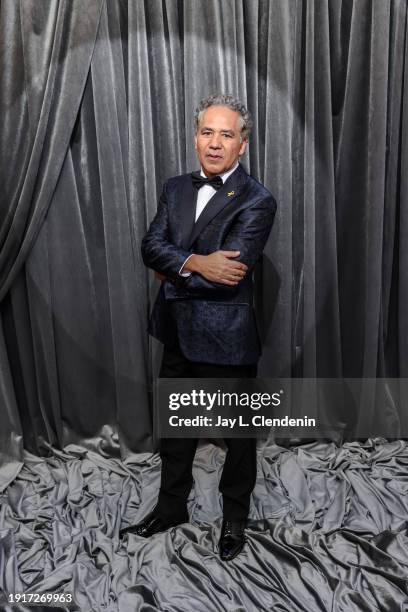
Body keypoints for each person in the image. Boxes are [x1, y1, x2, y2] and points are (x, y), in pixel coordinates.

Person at [121, 94, 277, 561]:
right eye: (207, 132)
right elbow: (150, 246)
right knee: (176, 431)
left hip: (226, 336)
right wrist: (193, 262)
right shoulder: (174, 188)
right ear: (195, 137)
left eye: (226, 135)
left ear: (242, 144)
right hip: (176, 329)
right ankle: (171, 509)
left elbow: (232, 272)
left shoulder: (257, 200)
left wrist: (172, 269)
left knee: (238, 437)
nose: (214, 143)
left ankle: (234, 518)